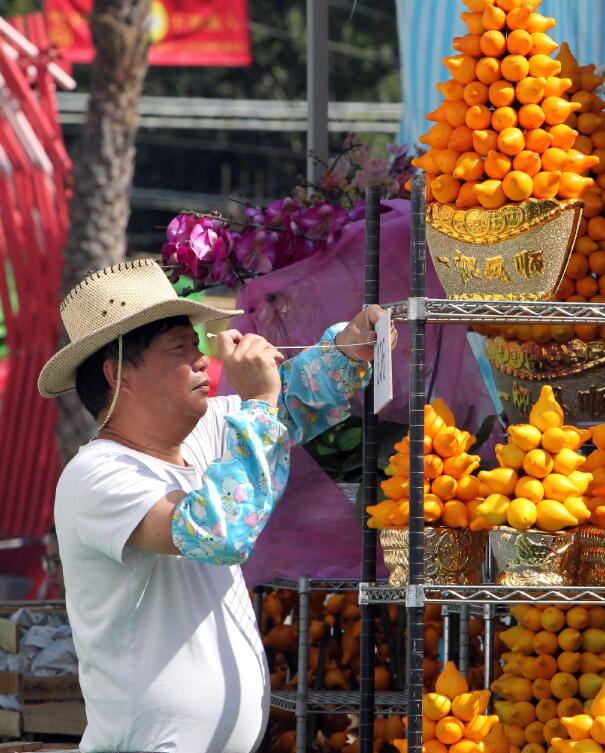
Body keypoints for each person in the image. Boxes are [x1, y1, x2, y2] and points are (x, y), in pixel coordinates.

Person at [38, 259, 394, 753]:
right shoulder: (96, 476)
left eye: (198, 345)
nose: (203, 360)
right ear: (120, 374)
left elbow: (293, 397)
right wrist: (261, 404)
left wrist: (350, 346)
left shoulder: (201, 435)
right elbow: (219, 532)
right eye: (180, 348)